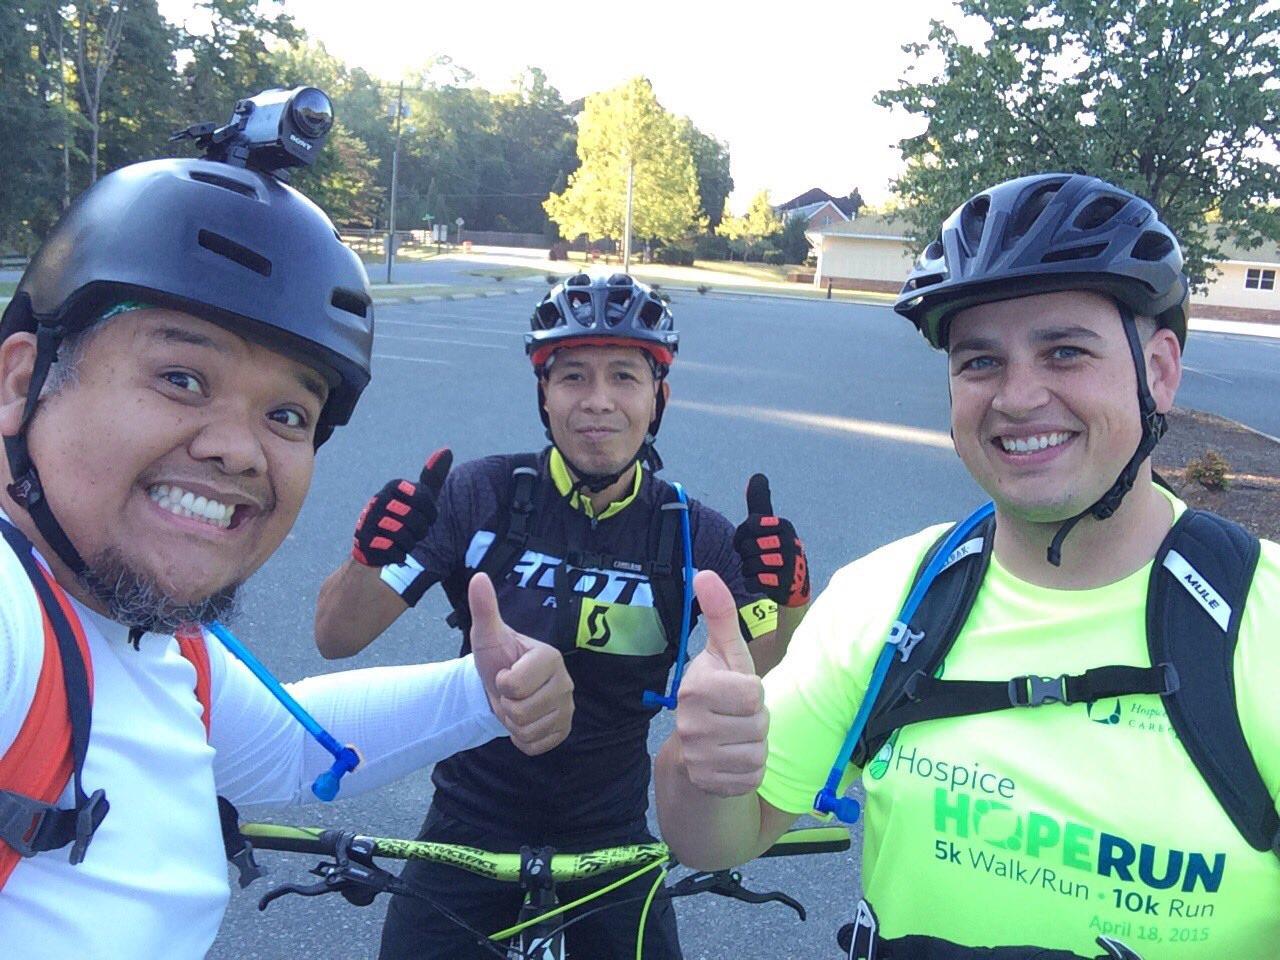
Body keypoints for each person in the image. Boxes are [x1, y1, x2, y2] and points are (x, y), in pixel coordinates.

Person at [654, 173, 1280, 959]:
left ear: (1158, 369)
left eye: (1064, 351)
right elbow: (716, 843)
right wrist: (698, 761)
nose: (1018, 398)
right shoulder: (889, 599)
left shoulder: (1265, 623)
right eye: (980, 362)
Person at [0, 153, 574, 959]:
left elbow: (291, 750)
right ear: (20, 381)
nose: (240, 451)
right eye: (181, 376)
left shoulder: (155, 639)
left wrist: (484, 690)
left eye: (286, 413)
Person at [314, 273, 812, 959]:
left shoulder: (692, 531)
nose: (598, 402)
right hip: (468, 820)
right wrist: (370, 557)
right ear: (543, 395)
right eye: (573, 376)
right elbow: (337, 637)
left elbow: (772, 680)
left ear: (657, 399)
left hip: (608, 828)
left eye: (624, 378)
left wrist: (787, 602)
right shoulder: (480, 495)